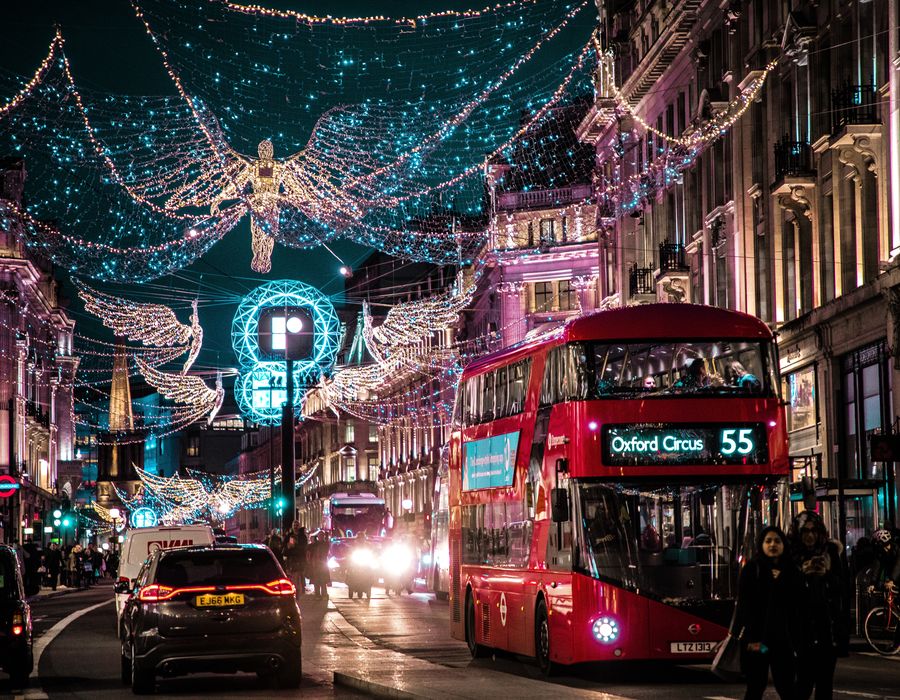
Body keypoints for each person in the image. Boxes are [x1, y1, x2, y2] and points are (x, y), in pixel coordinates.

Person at [730, 526, 801, 700]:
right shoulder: (752, 569)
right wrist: (750, 638)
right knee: (755, 686)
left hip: (783, 641)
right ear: (761, 544)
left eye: (777, 541)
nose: (772, 545)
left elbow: (797, 605)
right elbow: (744, 606)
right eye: (768, 541)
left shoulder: (791, 570)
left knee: (786, 687)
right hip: (758, 641)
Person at [788, 511, 849, 700]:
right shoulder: (791, 555)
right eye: (805, 531)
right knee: (803, 684)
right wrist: (801, 573)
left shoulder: (830, 552)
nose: (810, 535)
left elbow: (842, 589)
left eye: (814, 531)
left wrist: (827, 575)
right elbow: (784, 592)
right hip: (800, 630)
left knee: (824, 685)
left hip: (826, 630)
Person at [283, 522, 308, 595]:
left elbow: (304, 547)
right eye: (294, 525)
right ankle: (295, 590)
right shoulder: (289, 536)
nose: (295, 527)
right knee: (293, 576)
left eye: (297, 525)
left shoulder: (302, 536)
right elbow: (285, 546)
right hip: (292, 559)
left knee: (300, 575)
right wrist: (288, 547)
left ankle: (301, 588)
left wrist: (296, 545)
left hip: (300, 559)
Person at [308, 532, 331, 598]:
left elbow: (326, 551)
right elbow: (310, 550)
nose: (321, 537)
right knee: (317, 580)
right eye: (320, 535)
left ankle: (324, 594)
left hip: (322, 564)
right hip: (316, 564)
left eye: (322, 535)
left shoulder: (325, 544)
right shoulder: (315, 544)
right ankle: (318, 594)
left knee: (323, 581)